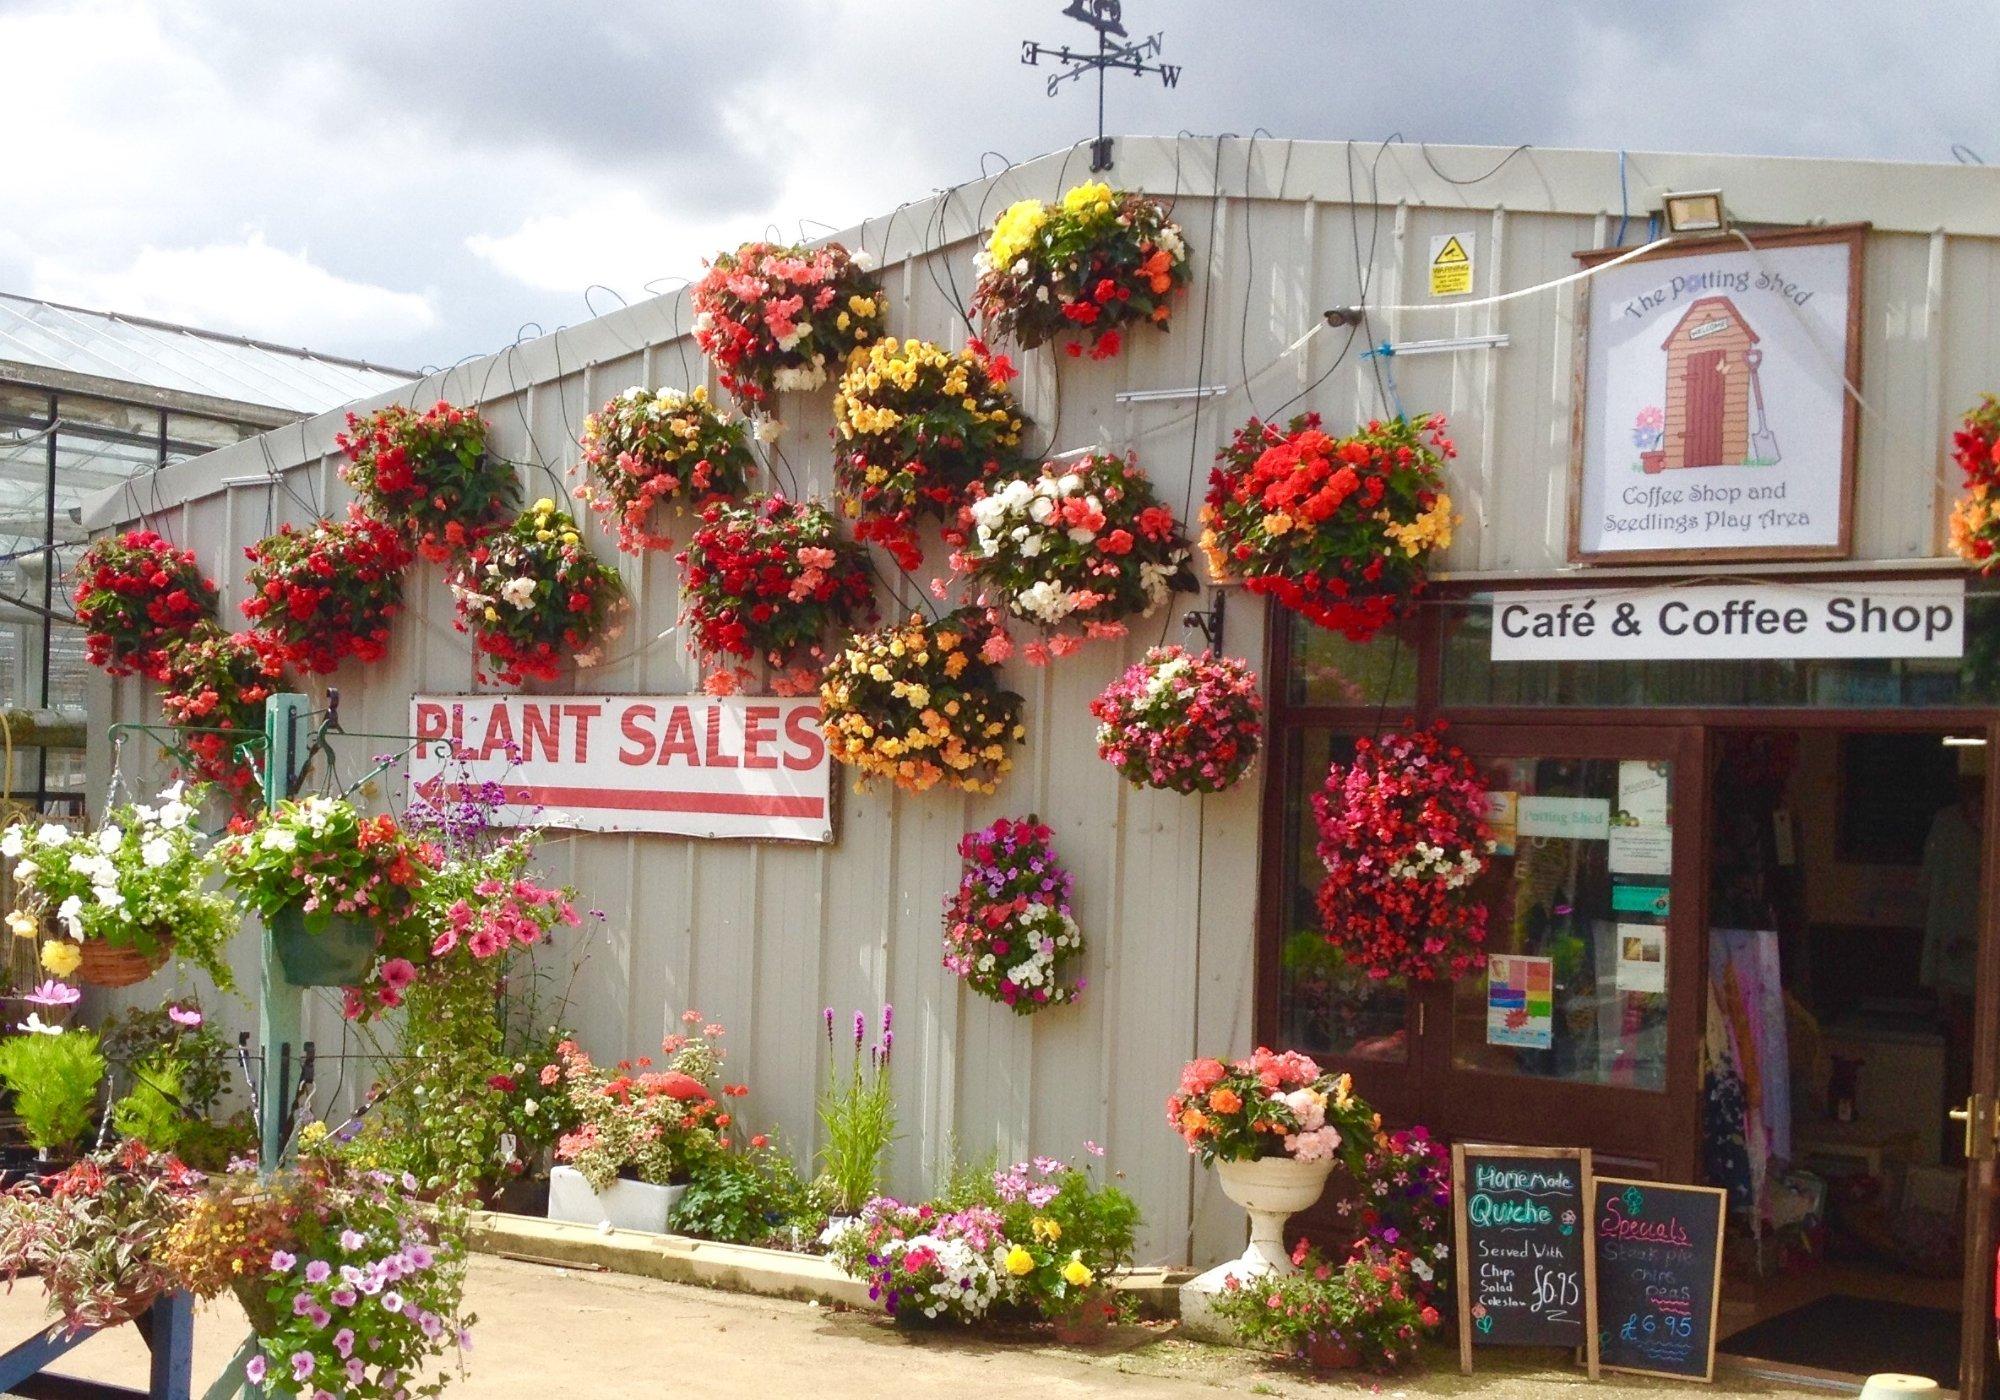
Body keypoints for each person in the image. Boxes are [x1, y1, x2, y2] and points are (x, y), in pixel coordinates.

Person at [1920, 743, 1984, 1159]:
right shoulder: (1945, 826)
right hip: (1953, 968)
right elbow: (1928, 885)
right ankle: (1953, 1154)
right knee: (1959, 1063)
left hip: (1980, 966)